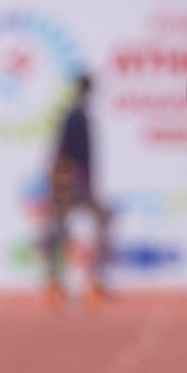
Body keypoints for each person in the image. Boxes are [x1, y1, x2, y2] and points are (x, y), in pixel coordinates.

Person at [43, 73, 112, 309]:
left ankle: (83, 281)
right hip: (73, 182)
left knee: (73, 228)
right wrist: (64, 179)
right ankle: (57, 282)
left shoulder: (79, 114)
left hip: (79, 181)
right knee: (60, 230)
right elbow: (64, 151)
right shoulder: (75, 116)